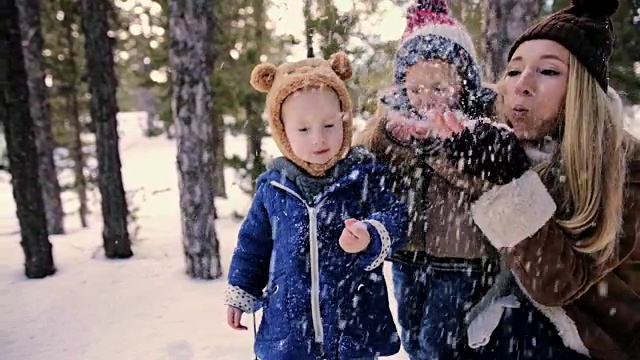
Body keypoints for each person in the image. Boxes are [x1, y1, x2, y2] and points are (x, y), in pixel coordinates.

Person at [422, 0, 640, 359]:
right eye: (513, 71)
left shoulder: (627, 171)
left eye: (549, 72)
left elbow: (557, 286)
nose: (522, 85)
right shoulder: (509, 146)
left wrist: (511, 183)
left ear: (582, 92)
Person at [224, 52, 409, 360]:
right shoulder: (273, 187)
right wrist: (241, 291)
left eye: (328, 125)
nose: (319, 139)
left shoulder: (363, 175)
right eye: (303, 129)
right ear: (282, 132)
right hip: (289, 331)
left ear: (344, 119)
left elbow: (397, 218)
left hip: (353, 326)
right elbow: (253, 246)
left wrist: (370, 233)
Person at [354, 1, 498, 359]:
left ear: (463, 84)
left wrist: (438, 150)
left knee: (440, 343)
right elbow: (359, 158)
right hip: (408, 253)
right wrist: (392, 138)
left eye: (438, 88)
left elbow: (485, 183)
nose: (425, 99)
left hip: (461, 256)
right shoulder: (393, 123)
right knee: (413, 337)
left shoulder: (479, 130)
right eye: (415, 89)